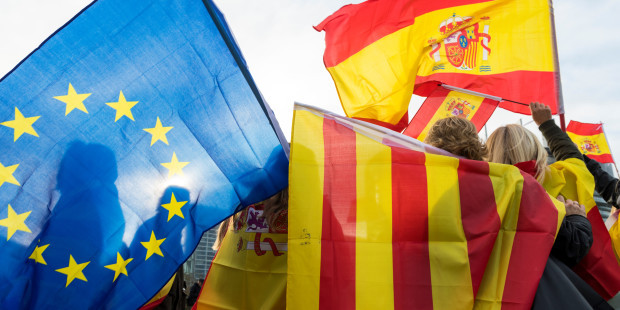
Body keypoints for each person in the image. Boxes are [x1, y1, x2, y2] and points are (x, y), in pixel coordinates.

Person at [486, 102, 612, 309]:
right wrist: (546, 124)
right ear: (537, 153)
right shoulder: (546, 187)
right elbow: (573, 159)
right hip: (554, 295)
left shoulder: (478, 190)